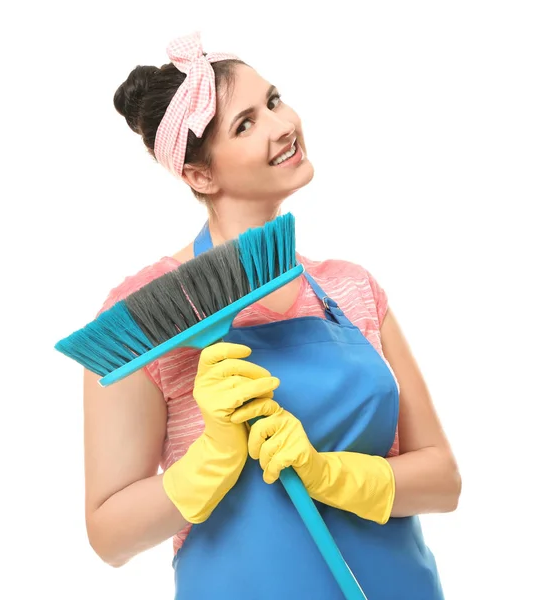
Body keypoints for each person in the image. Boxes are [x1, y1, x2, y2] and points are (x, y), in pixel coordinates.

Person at [83, 31, 462, 599]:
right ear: (199, 176)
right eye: (245, 124)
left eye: (274, 100)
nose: (282, 125)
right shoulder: (145, 317)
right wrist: (210, 459)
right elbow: (109, 537)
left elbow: (442, 481)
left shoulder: (351, 288)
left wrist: (329, 474)